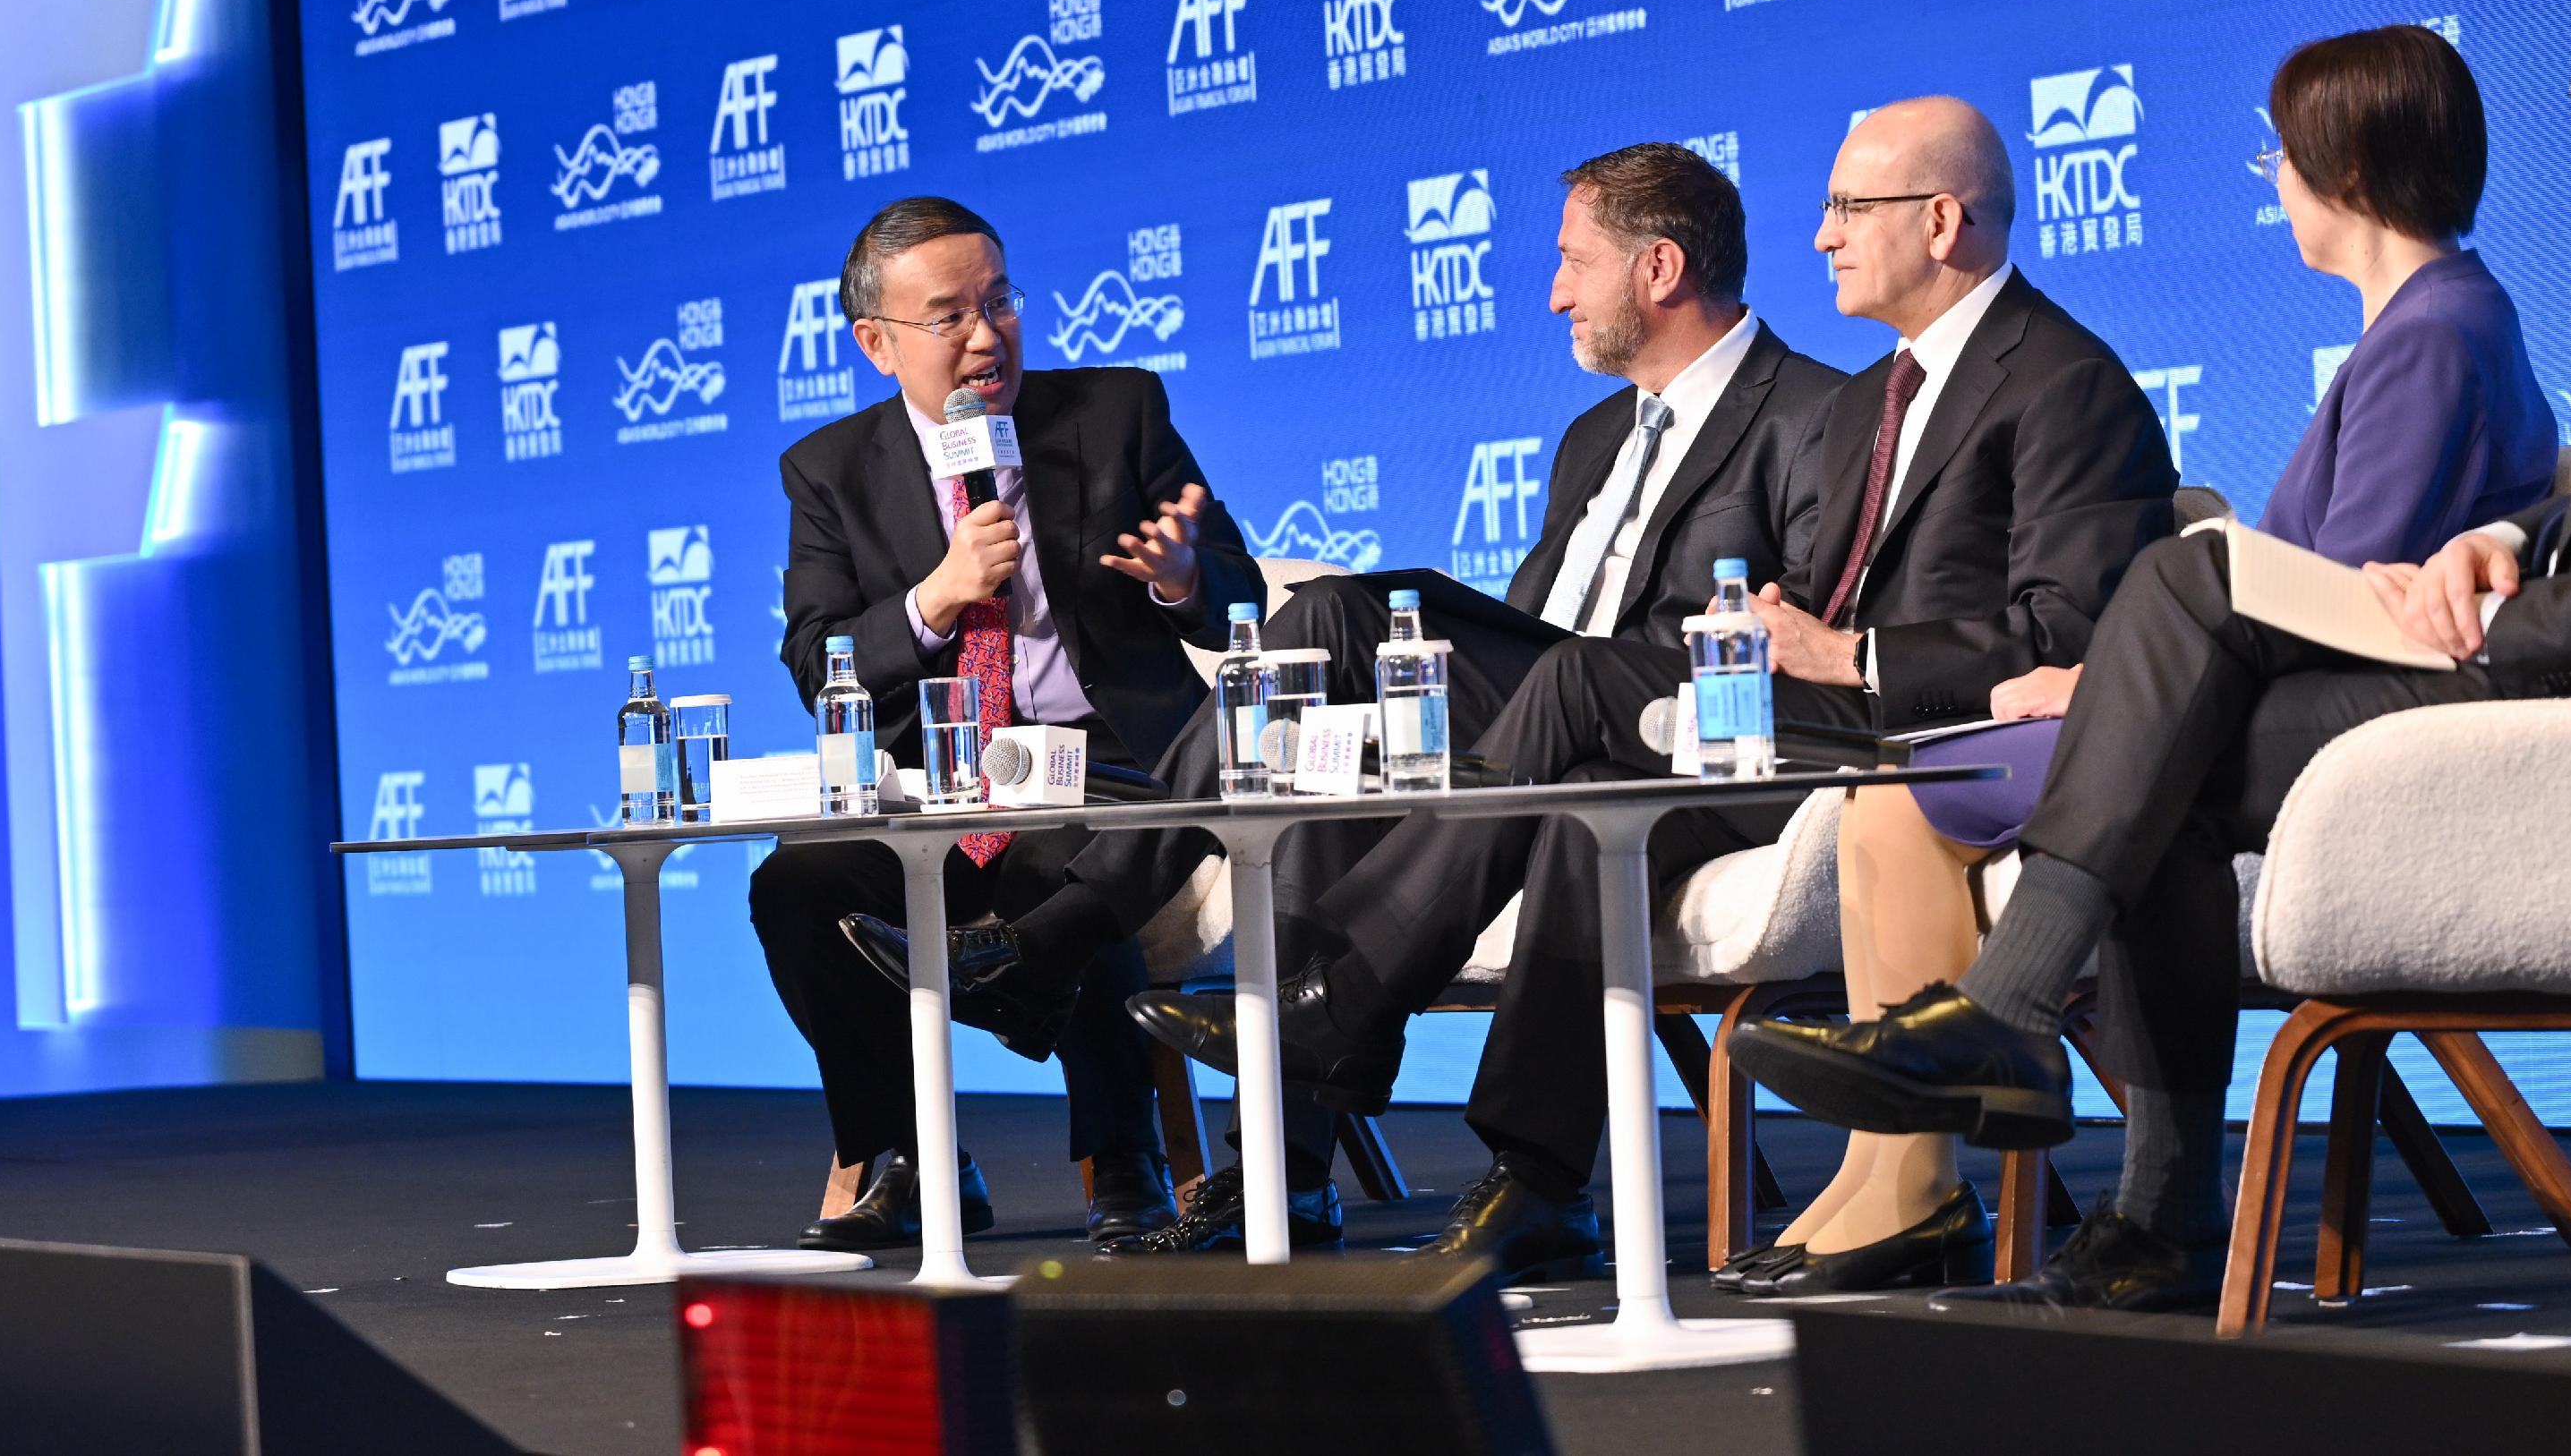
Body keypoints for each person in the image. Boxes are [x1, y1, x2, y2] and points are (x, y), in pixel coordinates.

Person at [1732, 0, 2571, 1316]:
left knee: (2182, 616)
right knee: (2169, 713)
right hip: (2549, 658)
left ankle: (2044, 1059)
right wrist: (2508, 541)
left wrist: (2494, 621)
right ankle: (2129, 1178)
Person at [1132, 96, 2178, 1285]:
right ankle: (1533, 1175)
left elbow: (2073, 639)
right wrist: (1794, 638)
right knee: (1576, 778)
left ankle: (1342, 995)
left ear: (1939, 221)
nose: (1823, 234)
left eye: (1849, 208)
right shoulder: (1875, 396)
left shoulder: (2062, 382)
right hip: (1796, 720)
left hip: (1924, 738)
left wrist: (1849, 658)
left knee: (1579, 680)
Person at [850, 142, 1842, 1253]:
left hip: (1684, 735)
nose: (1555, 290)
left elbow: (1806, 651)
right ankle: (1284, 1173)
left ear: (1657, 269)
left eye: (1573, 262)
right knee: (1316, 664)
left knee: (1373, 649)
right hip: (1544, 712)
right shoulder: (1597, 435)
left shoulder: (1817, 416)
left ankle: (1124, 970)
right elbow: (1532, 632)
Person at [1726, 24, 2558, 1298]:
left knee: (2089, 734)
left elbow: (2345, 601)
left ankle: (2003, 1051)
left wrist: (2125, 679)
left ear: (2343, 167)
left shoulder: (2437, 331)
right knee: (1975, 792)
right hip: (2319, 705)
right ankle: (2125, 1195)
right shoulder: (2421, 325)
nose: (2270, 176)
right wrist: (2130, 677)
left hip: (2386, 731)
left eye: (2281, 153)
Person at [748, 196, 1261, 1250]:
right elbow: (819, 664)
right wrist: (934, 599)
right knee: (796, 887)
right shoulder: (830, 473)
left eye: (1000, 301)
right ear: (877, 344)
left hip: (1109, 770)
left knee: (1055, 865)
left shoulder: (1115, 415)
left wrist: (1176, 581)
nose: (986, 337)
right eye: (950, 317)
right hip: (936, 786)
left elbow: (1234, 583)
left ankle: (1125, 1158)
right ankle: (905, 1158)